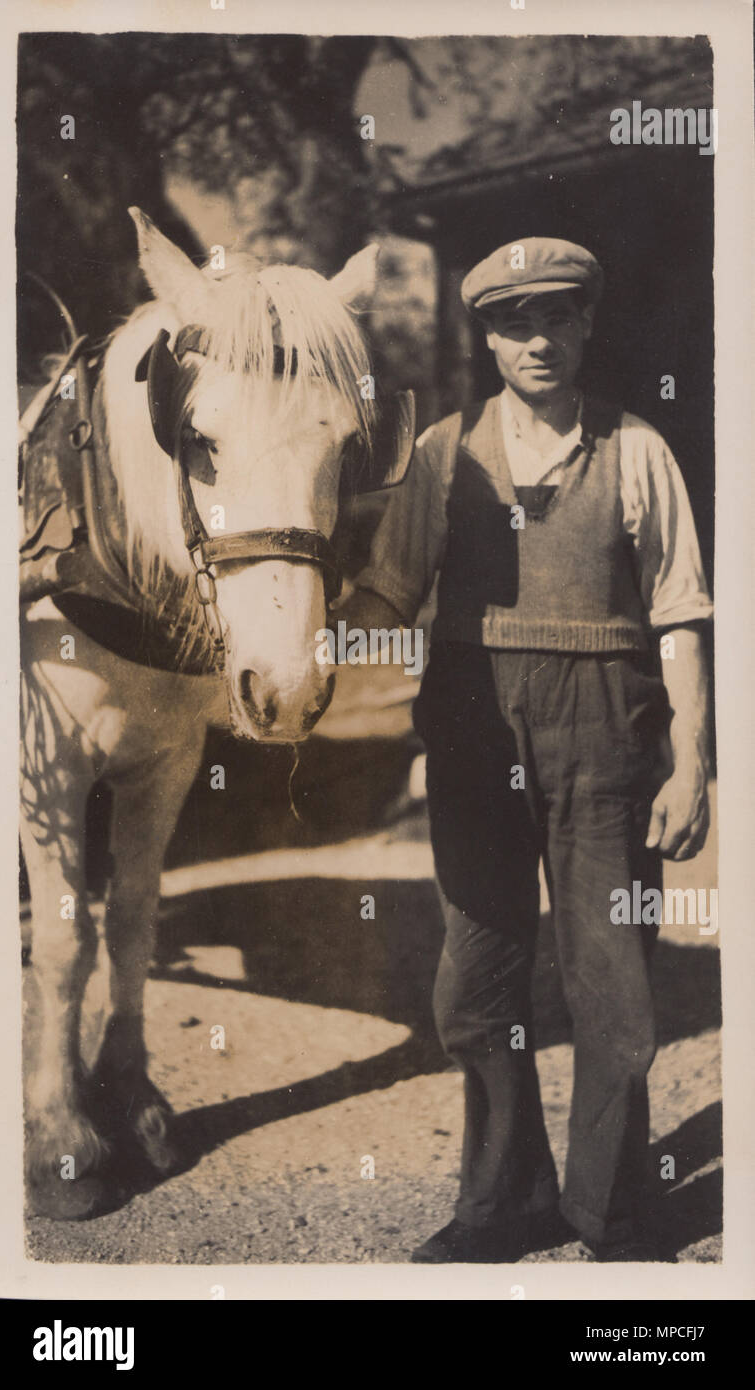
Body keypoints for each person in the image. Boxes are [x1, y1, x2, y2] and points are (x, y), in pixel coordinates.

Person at [341, 237, 713, 1262]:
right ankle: (502, 1202)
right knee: (476, 982)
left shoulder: (637, 447)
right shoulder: (441, 455)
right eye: (514, 323)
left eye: (556, 317)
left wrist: (694, 762)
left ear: (586, 323)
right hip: (470, 723)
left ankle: (616, 1208)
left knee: (612, 979)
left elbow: (680, 613)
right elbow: (387, 592)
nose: (538, 340)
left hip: (608, 732)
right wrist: (307, 618)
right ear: (490, 338)